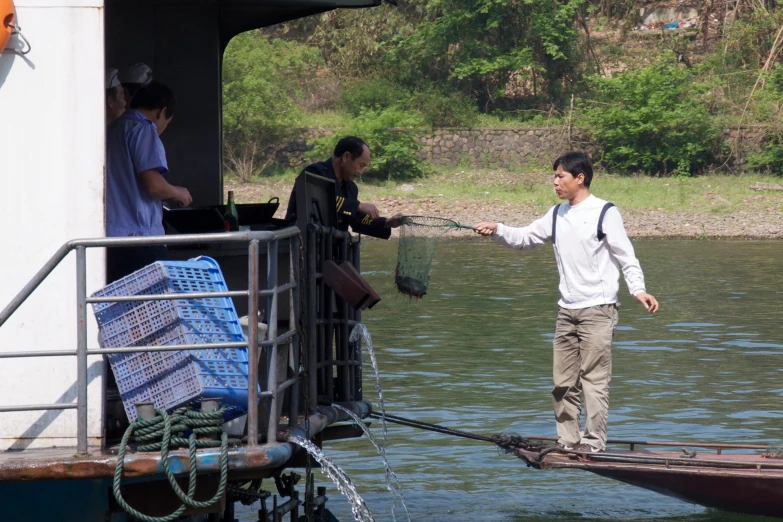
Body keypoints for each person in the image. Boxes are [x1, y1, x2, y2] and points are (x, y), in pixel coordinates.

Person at [474, 152, 659, 454]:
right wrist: (498, 229)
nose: (555, 182)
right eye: (555, 176)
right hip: (567, 311)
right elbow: (525, 238)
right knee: (562, 383)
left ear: (580, 178)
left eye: (561, 176)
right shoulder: (557, 214)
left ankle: (593, 443)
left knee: (594, 381)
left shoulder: (605, 212)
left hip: (598, 310)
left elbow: (626, 257)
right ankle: (568, 439)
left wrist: (639, 290)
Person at [105, 81, 192, 282]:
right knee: (155, 308)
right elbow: (153, 186)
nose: (162, 129)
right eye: (166, 122)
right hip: (140, 240)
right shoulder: (143, 129)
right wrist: (178, 192)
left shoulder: (112, 129)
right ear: (162, 112)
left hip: (110, 239)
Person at [285, 136, 402, 239]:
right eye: (361, 165)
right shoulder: (315, 173)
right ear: (346, 157)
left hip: (332, 252)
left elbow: (356, 221)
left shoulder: (350, 188)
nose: (361, 172)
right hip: (303, 247)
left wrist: (387, 222)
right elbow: (323, 201)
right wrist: (358, 205)